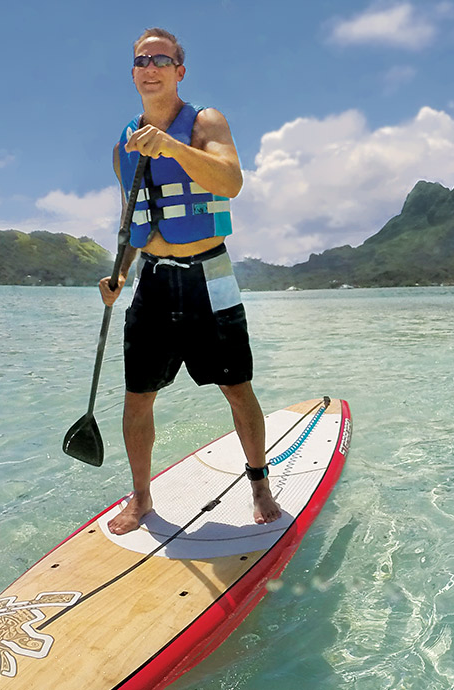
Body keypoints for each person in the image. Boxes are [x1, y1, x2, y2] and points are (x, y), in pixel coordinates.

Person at [98, 27, 281, 535]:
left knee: (236, 386)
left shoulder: (205, 122)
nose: (149, 67)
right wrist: (119, 273)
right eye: (141, 60)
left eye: (161, 59)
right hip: (153, 279)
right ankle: (140, 497)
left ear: (179, 70)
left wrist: (173, 148)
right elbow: (132, 218)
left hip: (211, 274)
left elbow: (231, 182)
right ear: (134, 72)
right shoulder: (123, 145)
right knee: (138, 395)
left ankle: (259, 482)